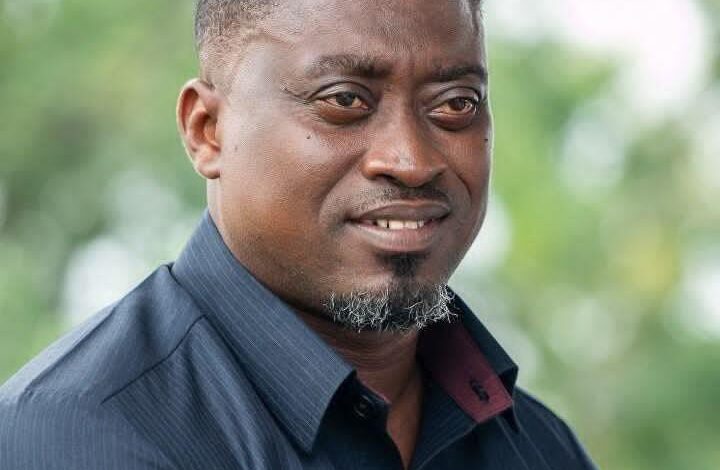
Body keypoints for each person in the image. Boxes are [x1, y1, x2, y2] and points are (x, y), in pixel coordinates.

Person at [0, 0, 598, 468]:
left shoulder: (542, 449)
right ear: (208, 131)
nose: (411, 160)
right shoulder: (81, 434)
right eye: (345, 99)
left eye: (456, 104)